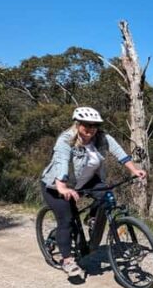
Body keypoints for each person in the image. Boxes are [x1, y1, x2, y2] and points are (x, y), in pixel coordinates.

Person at [40, 106, 147, 277]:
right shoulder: (66, 140)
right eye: (86, 125)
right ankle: (67, 260)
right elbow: (61, 162)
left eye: (94, 125)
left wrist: (134, 170)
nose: (90, 129)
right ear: (77, 124)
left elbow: (120, 153)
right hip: (56, 186)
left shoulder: (102, 138)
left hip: (86, 182)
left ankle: (91, 218)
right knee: (66, 220)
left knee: (107, 196)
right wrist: (62, 186)